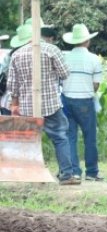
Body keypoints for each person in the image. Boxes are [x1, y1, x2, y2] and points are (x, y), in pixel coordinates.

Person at [6, 20, 80, 184]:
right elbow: (65, 73)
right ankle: (67, 175)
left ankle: (30, 174)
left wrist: (15, 105)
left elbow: (13, 86)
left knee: (30, 141)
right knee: (60, 137)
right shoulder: (51, 49)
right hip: (51, 104)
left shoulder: (16, 55)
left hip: (27, 106)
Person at [60, 24, 104, 182]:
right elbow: (96, 84)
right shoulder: (93, 59)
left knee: (70, 136)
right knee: (89, 137)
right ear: (87, 41)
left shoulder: (64, 57)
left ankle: (74, 171)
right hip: (85, 100)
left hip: (66, 99)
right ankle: (92, 172)